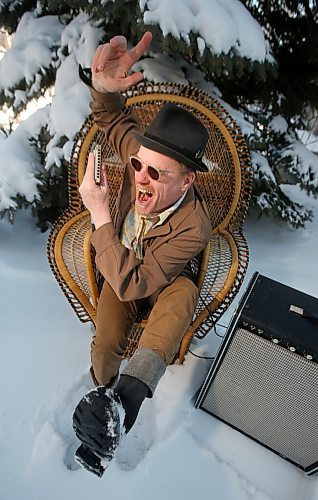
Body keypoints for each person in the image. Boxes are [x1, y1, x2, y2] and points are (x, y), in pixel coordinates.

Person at [72, 31, 212, 476]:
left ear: (187, 181)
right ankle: (100, 395)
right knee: (107, 338)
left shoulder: (194, 226)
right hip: (124, 268)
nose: (141, 178)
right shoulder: (140, 153)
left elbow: (140, 282)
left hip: (161, 282)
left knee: (179, 299)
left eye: (156, 172)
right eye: (137, 165)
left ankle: (124, 407)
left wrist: (99, 215)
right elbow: (109, 117)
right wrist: (103, 86)